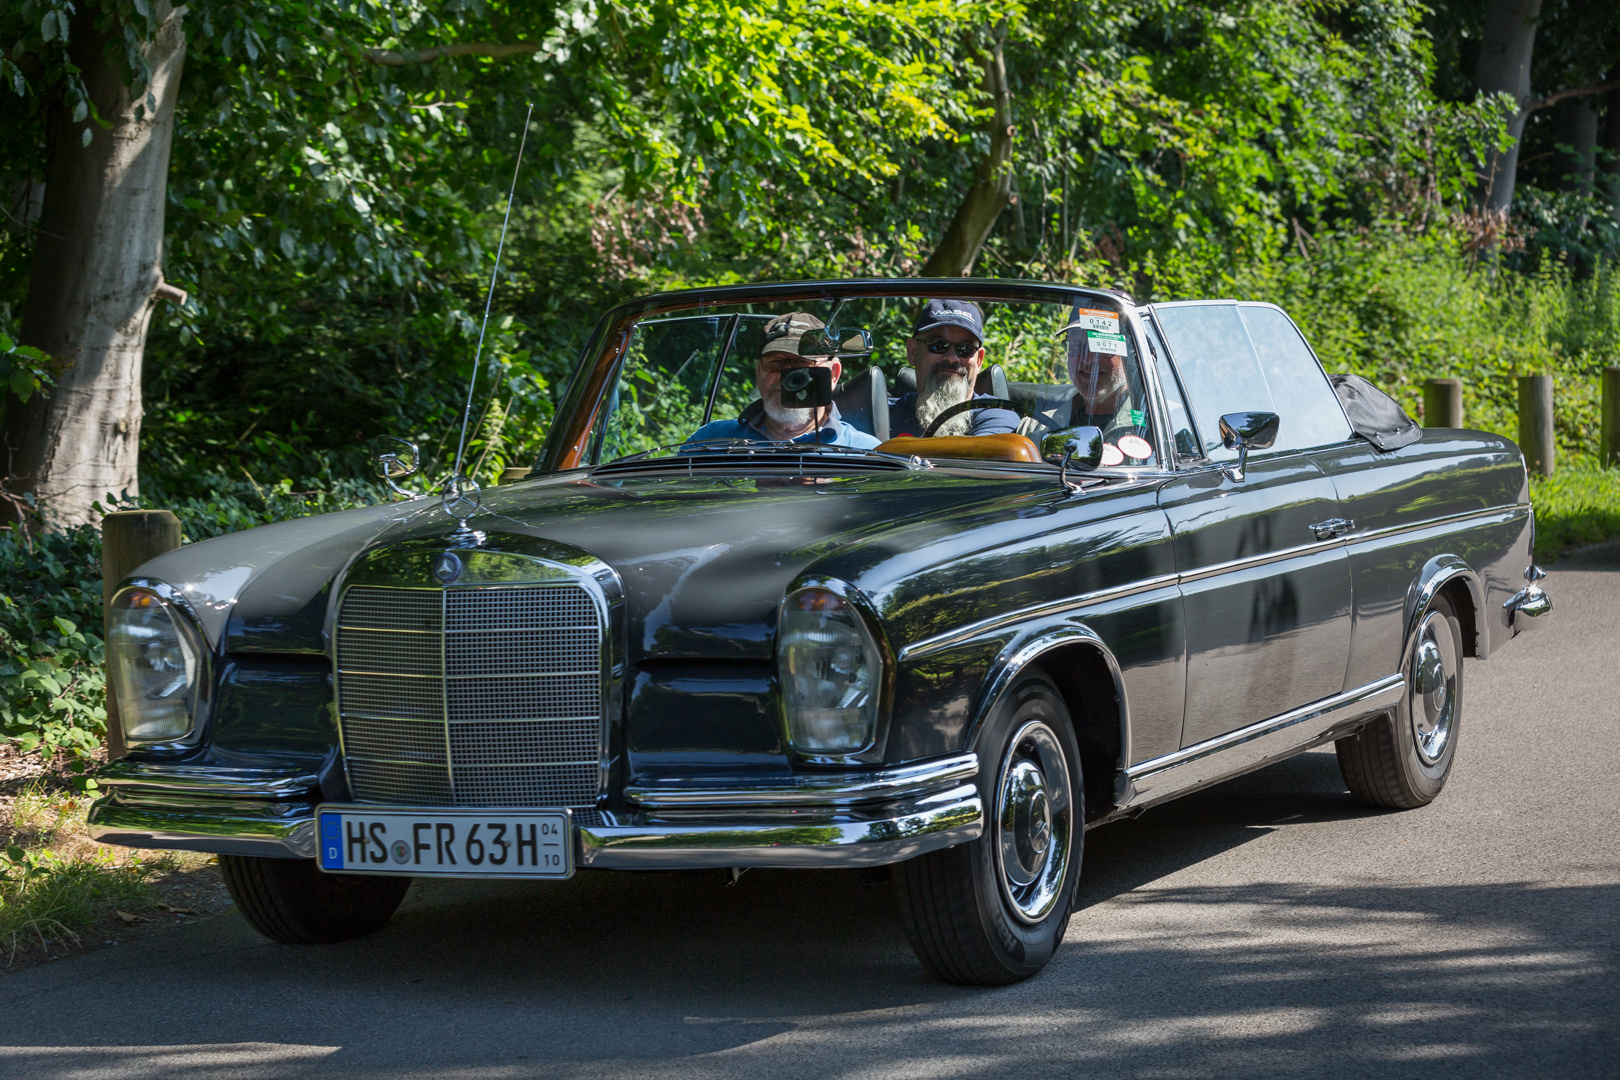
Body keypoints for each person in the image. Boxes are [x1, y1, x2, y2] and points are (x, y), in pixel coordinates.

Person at [686, 312, 881, 449]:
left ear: (832, 375)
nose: (787, 377)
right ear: (758, 372)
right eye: (775, 363)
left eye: (801, 363)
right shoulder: (710, 441)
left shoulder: (867, 452)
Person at [1017, 311, 1155, 464]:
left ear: (1130, 351)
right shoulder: (1033, 429)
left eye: (1102, 346)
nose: (1088, 360)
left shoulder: (1159, 427)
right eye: (1078, 347)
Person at [888, 299, 1019, 439]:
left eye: (965, 349)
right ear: (913, 352)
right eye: (938, 345)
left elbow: (973, 457)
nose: (951, 358)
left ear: (979, 360)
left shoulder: (997, 417)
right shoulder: (882, 413)